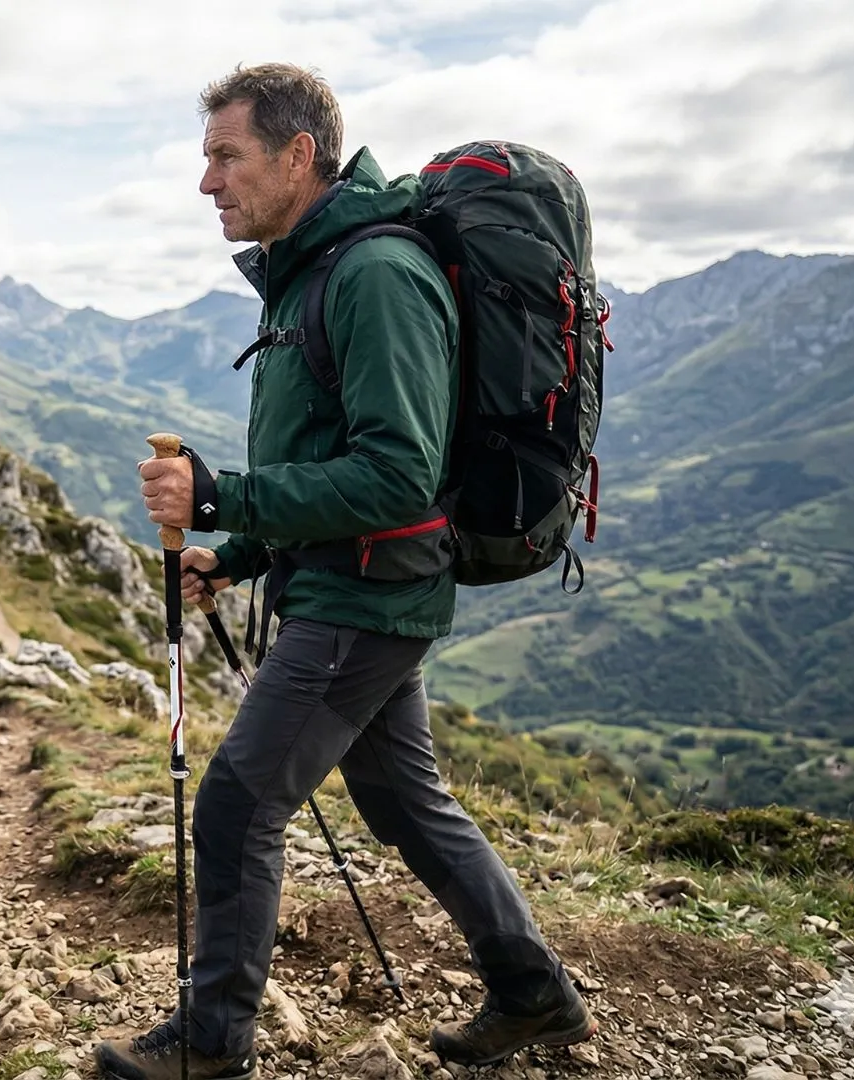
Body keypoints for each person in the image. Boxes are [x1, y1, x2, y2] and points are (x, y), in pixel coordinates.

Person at [100, 63, 596, 1079]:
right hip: (356, 584)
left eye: (225, 156)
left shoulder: (374, 275)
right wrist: (234, 551)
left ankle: (212, 1040)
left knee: (236, 803)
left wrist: (221, 498)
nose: (207, 183)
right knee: (406, 803)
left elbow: (396, 474)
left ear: (297, 156)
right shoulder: (314, 270)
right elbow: (324, 450)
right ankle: (533, 993)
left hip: (369, 596)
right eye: (206, 160)